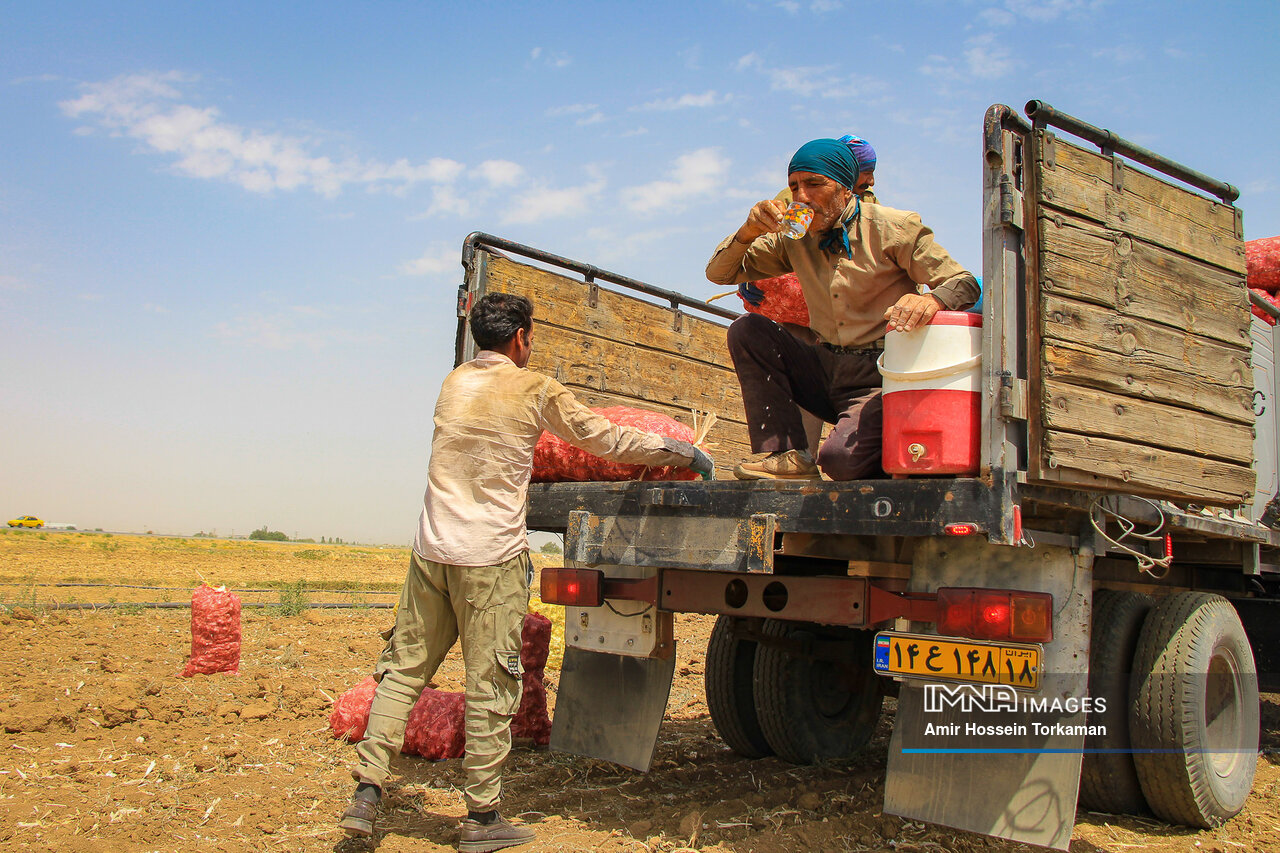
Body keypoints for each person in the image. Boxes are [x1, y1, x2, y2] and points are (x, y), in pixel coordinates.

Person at [339, 292, 714, 850]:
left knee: (404, 672)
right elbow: (604, 439)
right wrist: (679, 451)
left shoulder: (453, 383)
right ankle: (482, 820)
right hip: (489, 557)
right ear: (521, 337)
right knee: (490, 683)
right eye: (531, 334)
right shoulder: (533, 387)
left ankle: (367, 794)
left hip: (431, 551)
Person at [707, 138, 978, 481]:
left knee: (839, 462)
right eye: (794, 187)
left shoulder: (893, 227)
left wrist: (931, 300)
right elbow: (720, 273)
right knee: (749, 330)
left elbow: (965, 282)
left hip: (881, 375)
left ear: (847, 188)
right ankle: (787, 456)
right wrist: (749, 230)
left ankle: (874, 452)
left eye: (815, 184)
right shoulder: (795, 232)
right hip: (826, 367)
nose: (801, 197)